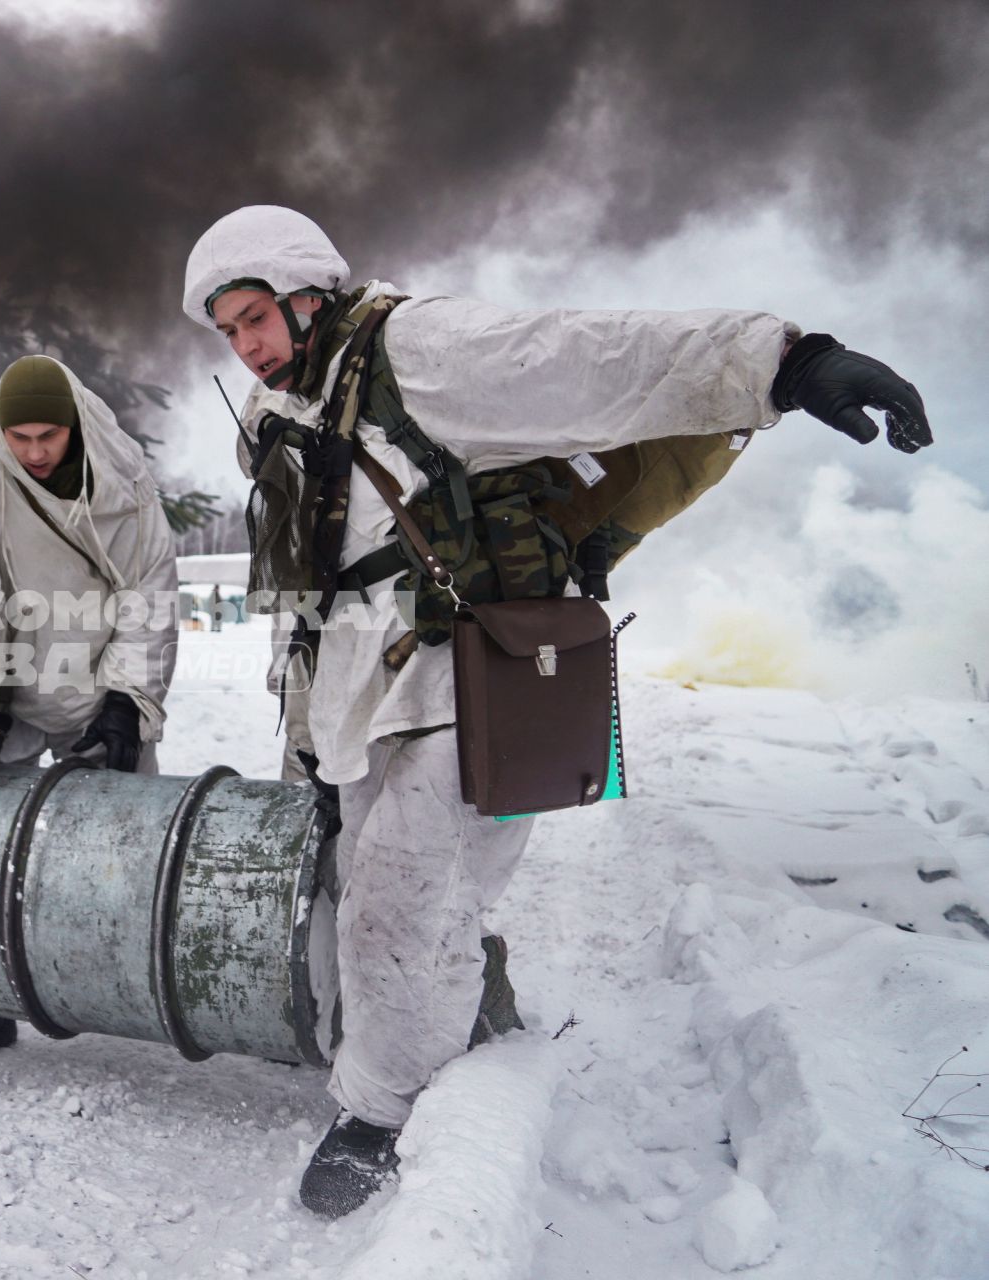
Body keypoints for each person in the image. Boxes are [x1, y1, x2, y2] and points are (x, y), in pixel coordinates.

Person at [181, 205, 932, 1218]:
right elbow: (313, 587)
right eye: (226, 332)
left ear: (305, 291)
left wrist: (788, 365)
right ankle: (459, 1013)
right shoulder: (300, 405)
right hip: (362, 690)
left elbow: (591, 358)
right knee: (372, 889)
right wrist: (308, 738)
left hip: (463, 680)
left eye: (252, 318)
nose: (244, 345)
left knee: (405, 904)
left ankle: (381, 1114)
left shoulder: (416, 347)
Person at [0, 354, 181, 1064]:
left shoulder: (122, 479)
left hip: (98, 688)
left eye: (50, 435)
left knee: (120, 850)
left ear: (74, 426)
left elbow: (149, 594)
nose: (36, 452)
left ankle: (124, 981)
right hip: (9, 692)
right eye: (22, 437)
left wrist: (127, 701)